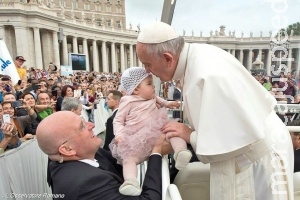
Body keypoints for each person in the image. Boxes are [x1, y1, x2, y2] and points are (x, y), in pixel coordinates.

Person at [136, 21, 294, 199]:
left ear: (167, 58)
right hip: (255, 144)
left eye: (147, 64)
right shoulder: (197, 58)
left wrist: (190, 135)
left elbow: (229, 137)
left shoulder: (206, 73)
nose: (147, 71)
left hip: (256, 154)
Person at [36, 111, 171, 199]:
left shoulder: (86, 154)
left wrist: (149, 138)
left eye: (84, 121)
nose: (92, 125)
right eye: (82, 126)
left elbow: (119, 159)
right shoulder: (85, 184)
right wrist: (156, 152)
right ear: (67, 149)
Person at [110, 67, 191, 196]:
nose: (153, 87)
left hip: (157, 129)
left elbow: (160, 100)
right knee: (129, 159)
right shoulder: (127, 101)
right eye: (149, 84)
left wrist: (168, 104)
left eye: (152, 83)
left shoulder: (152, 96)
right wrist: (119, 135)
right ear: (136, 89)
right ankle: (131, 182)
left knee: (173, 130)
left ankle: (180, 152)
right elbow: (118, 120)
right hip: (137, 138)